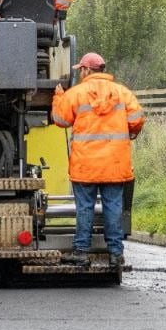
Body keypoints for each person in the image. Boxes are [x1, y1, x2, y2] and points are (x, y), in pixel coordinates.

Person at [51, 52, 145, 268]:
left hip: (86, 166)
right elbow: (138, 119)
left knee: (85, 207)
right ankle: (115, 255)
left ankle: (81, 253)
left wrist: (58, 97)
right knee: (113, 207)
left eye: (80, 70)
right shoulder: (122, 93)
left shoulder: (76, 94)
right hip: (114, 164)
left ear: (86, 70)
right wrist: (129, 131)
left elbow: (60, 120)